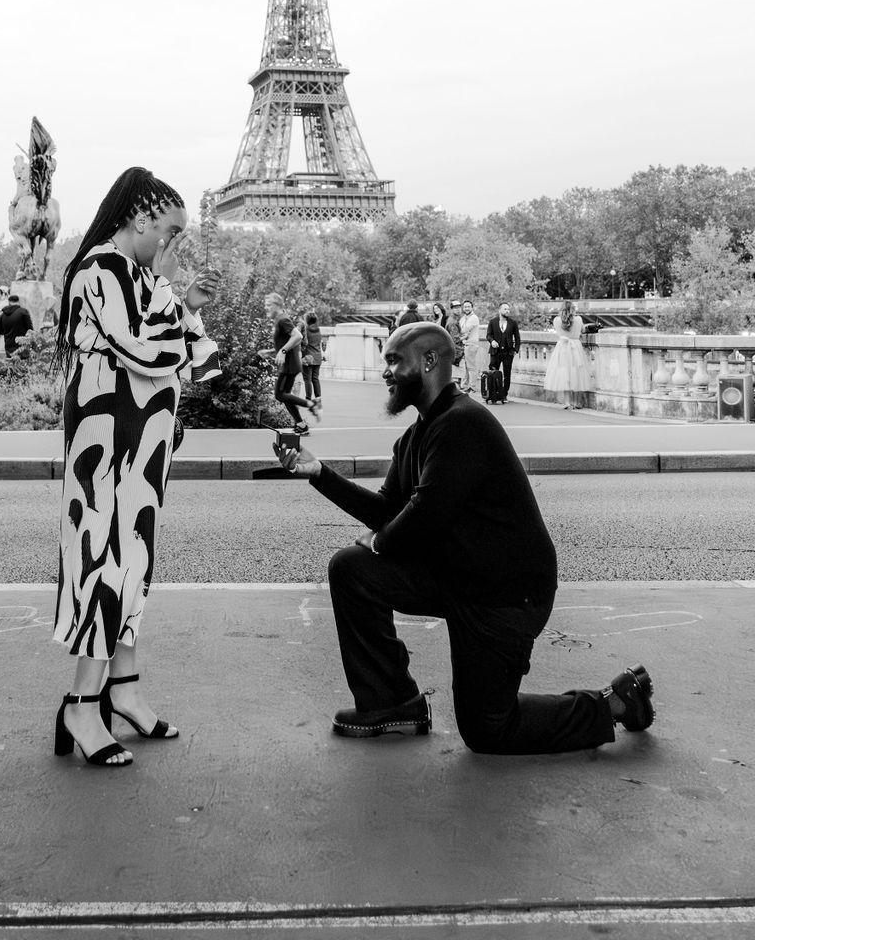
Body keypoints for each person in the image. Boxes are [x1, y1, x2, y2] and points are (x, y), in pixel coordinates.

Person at [274, 322, 655, 752]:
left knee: (488, 729)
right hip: (460, 578)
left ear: (429, 361)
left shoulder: (464, 423)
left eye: (394, 360)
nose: (386, 372)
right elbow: (387, 511)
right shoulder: (416, 436)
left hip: (505, 595)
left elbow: (425, 514)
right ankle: (392, 703)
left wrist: (379, 542)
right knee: (352, 569)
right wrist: (318, 473)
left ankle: (614, 704)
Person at [50, 167, 222, 768]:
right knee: (103, 560)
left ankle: (121, 690)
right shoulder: (100, 269)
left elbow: (193, 357)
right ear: (140, 218)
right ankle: (81, 703)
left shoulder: (137, 276)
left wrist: (183, 301)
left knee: (134, 560)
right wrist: (172, 291)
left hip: (141, 442)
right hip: (108, 440)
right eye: (171, 233)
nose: (173, 246)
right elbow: (146, 348)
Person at [267, 293, 317, 435]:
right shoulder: (280, 320)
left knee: (279, 395)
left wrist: (282, 351)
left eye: (269, 305)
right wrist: (271, 352)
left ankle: (310, 404)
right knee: (286, 396)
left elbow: (298, 336)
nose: (266, 308)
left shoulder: (283, 319)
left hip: (289, 365)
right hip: (290, 364)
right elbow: (286, 343)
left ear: (277, 305)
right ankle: (301, 425)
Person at [544, 298, 592, 410]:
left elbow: (560, 331)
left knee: (564, 373)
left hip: (563, 348)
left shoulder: (556, 320)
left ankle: (567, 402)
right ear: (572, 309)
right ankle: (576, 402)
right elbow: (582, 330)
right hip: (575, 347)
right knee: (577, 373)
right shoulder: (578, 319)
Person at [485, 302, 521, 405]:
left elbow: (517, 337)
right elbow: (488, 335)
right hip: (495, 352)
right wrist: (492, 341)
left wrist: (515, 350)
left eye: (508, 309)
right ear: (499, 310)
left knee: (507, 375)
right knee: (493, 373)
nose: (507, 311)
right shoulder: (493, 322)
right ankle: (493, 394)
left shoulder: (513, 323)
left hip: (508, 353)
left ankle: (504, 395)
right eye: (505, 309)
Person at [0, 292, 33, 358]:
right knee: (23, 363)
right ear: (18, 301)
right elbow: (30, 329)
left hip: (8, 346)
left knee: (11, 363)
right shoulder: (23, 312)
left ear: (9, 302)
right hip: (22, 346)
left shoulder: (3, 315)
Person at [301, 312, 325, 413]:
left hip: (308, 358)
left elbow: (303, 343)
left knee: (307, 379)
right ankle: (318, 400)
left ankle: (308, 400)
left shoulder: (306, 330)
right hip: (318, 357)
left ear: (307, 320)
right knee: (315, 379)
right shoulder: (318, 330)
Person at [458, 301, 483, 395]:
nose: (467, 308)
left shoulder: (474, 318)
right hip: (464, 344)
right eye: (465, 307)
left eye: (468, 307)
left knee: (471, 367)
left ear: (472, 308)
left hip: (471, 344)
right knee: (465, 367)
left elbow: (463, 330)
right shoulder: (463, 318)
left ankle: (473, 387)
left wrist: (459, 335)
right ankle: (464, 386)